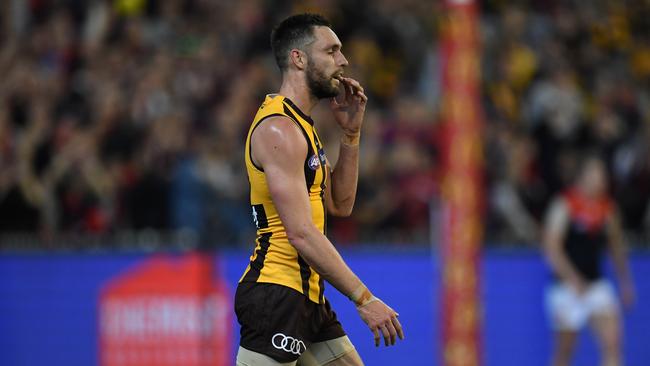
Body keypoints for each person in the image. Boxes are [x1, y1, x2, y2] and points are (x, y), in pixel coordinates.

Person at [234, 13, 404, 366]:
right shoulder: (279, 130)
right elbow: (300, 232)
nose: (343, 61)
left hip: (308, 296)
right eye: (332, 51)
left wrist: (351, 136)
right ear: (298, 58)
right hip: (276, 293)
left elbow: (340, 205)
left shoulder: (302, 127)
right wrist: (363, 298)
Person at [543, 155, 635, 366]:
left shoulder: (608, 209)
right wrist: (573, 279)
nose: (601, 179)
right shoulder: (564, 204)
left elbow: (616, 247)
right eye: (596, 174)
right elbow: (551, 248)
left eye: (603, 174)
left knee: (612, 342)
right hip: (566, 287)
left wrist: (625, 282)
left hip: (596, 285)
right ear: (582, 177)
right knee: (565, 351)